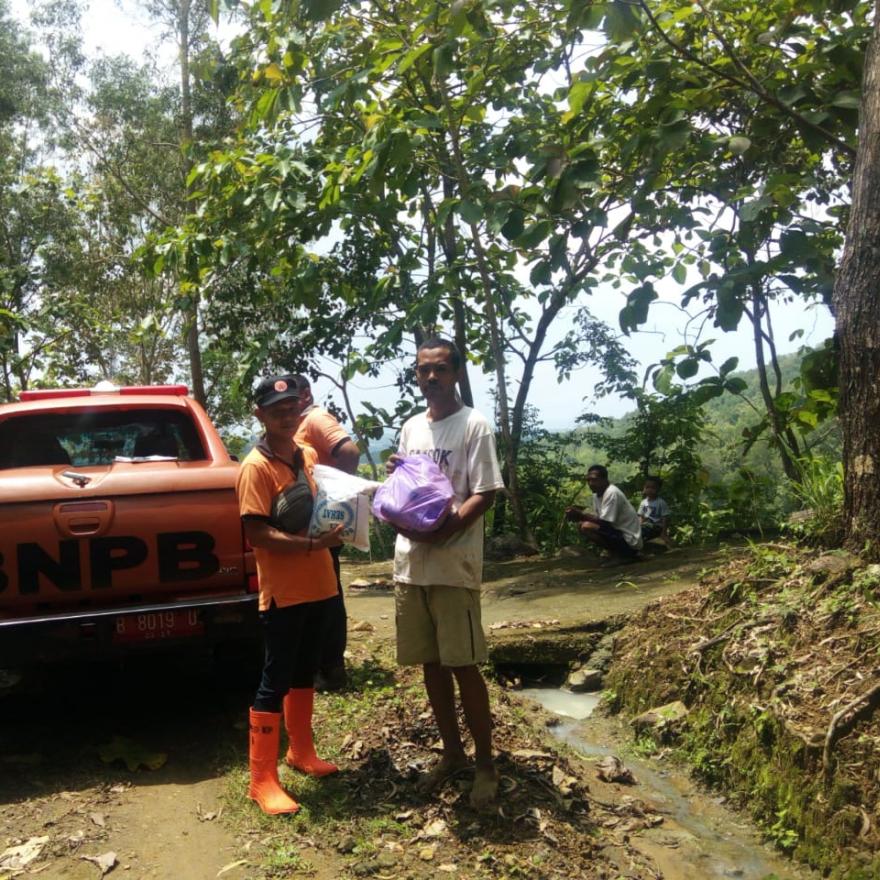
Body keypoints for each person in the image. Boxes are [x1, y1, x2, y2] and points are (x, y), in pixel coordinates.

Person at [388, 337, 505, 810]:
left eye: (440, 369)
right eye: (423, 370)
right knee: (431, 665)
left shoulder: (473, 425)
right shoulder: (412, 427)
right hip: (411, 566)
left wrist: (443, 532)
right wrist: (397, 475)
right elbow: (407, 488)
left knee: (463, 665)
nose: (431, 377)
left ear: (456, 373)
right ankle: (453, 754)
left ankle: (486, 764)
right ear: (416, 376)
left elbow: (485, 492)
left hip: (454, 566)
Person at [236, 374, 345, 816]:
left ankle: (301, 751)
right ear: (259, 414)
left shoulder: (307, 455)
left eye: (292, 407)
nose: (286, 415)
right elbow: (256, 533)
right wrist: (310, 544)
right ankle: (261, 779)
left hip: (320, 583)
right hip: (283, 593)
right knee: (275, 679)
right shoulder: (255, 467)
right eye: (276, 409)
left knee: (304, 672)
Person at [292, 374, 361, 692]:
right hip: (310, 526)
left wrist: (331, 499)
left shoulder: (316, 419)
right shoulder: (300, 423)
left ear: (306, 395)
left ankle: (332, 668)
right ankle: (320, 664)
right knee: (317, 592)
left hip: (324, 524)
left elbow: (349, 452)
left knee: (328, 594)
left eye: (293, 397)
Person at [566, 465, 643, 566]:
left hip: (629, 541)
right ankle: (615, 553)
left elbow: (605, 523)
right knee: (582, 525)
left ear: (604, 479)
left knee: (586, 526)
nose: (590, 483)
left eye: (594, 480)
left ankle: (623, 555)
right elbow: (600, 518)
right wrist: (579, 515)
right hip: (619, 534)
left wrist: (581, 515)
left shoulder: (611, 493)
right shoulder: (597, 495)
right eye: (588, 480)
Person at [638, 476, 671, 544]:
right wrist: (638, 525)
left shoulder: (661, 502)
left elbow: (665, 518)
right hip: (646, 525)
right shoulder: (643, 502)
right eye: (647, 487)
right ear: (644, 488)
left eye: (653, 488)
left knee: (643, 532)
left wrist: (664, 532)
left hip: (656, 526)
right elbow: (641, 516)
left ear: (658, 489)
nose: (649, 490)